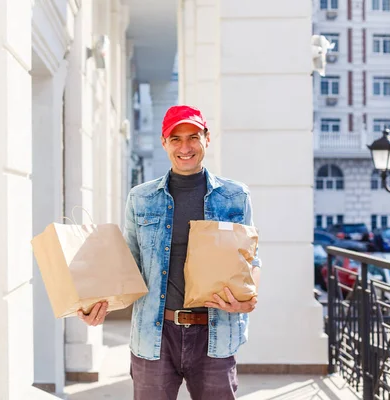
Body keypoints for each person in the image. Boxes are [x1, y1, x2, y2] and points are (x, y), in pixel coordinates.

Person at [78, 105, 262, 399]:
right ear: (164, 143)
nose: (185, 147)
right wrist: (96, 304)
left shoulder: (235, 196)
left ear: (207, 138)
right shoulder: (141, 198)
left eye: (193, 137)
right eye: (175, 139)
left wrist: (248, 302)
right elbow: (129, 265)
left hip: (215, 334)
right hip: (155, 334)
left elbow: (252, 259)